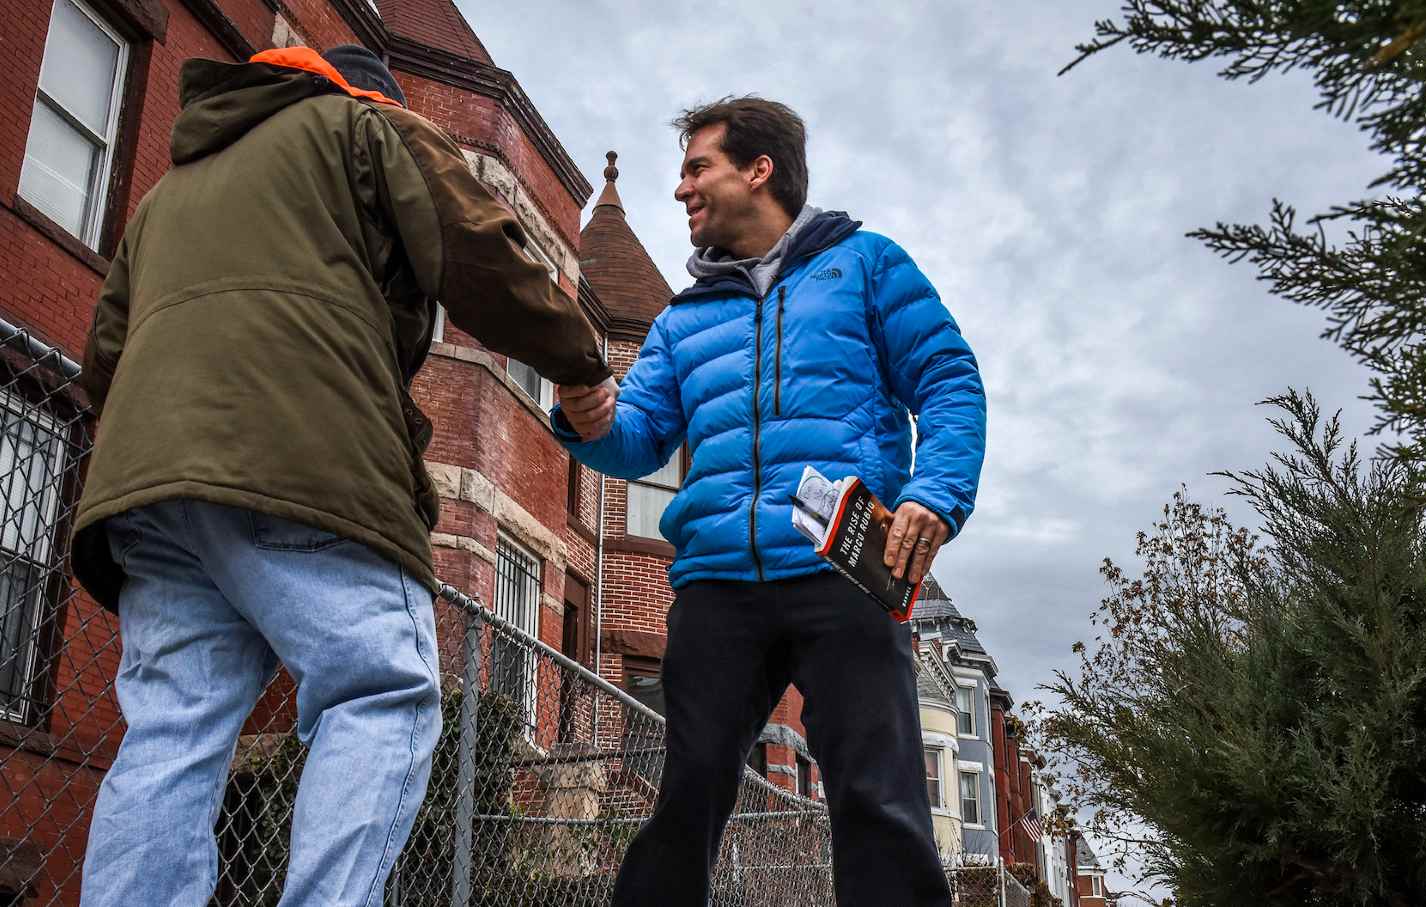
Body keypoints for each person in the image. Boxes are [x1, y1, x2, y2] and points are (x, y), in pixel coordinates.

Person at [70, 45, 610, 907]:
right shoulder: (367, 125)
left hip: (150, 493)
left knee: (172, 730)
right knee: (381, 687)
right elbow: (480, 247)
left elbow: (105, 353)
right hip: (299, 451)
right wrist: (581, 363)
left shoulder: (167, 196)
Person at [553, 96, 986, 907]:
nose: (681, 189)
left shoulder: (866, 265)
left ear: (759, 170)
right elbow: (635, 437)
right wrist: (584, 414)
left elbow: (949, 380)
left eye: (696, 168)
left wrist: (935, 494)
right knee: (686, 791)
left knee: (876, 798)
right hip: (717, 581)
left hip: (846, 569)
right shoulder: (683, 320)